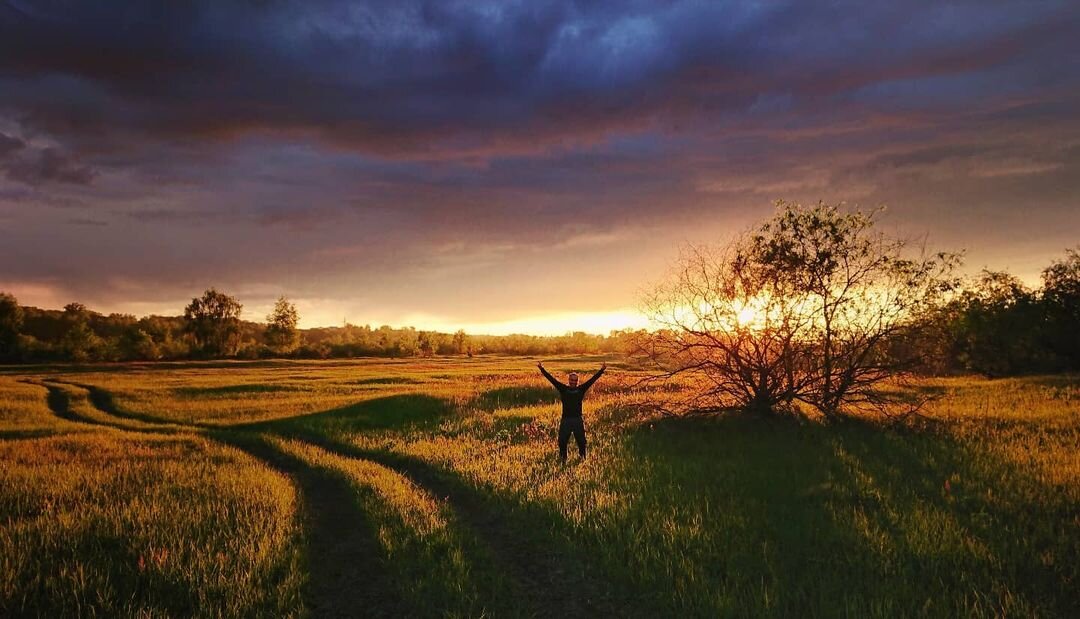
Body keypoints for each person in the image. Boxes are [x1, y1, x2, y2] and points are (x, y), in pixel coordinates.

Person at [538, 360, 606, 463]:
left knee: (582, 442)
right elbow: (551, 379)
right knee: (562, 441)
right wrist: (542, 369)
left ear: (577, 381)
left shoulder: (581, 389)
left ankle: (582, 460)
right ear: (569, 380)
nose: (573, 382)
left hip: (577, 420)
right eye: (572, 380)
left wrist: (601, 370)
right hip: (566, 420)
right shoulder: (563, 389)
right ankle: (563, 460)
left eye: (575, 380)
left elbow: (592, 380)